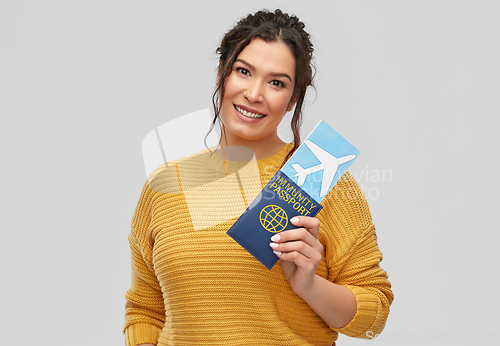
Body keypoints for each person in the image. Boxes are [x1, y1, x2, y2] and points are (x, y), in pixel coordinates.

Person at [124, 9, 393, 346]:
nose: (254, 93)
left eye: (276, 82)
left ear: (293, 98)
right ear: (222, 73)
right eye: (243, 72)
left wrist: (310, 285)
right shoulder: (163, 185)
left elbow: (375, 317)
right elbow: (144, 309)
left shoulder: (321, 180)